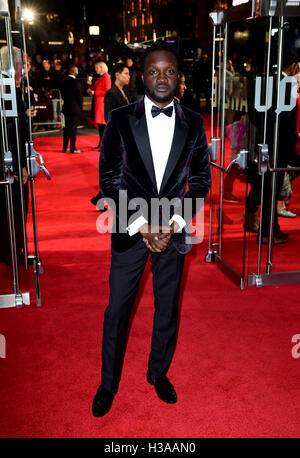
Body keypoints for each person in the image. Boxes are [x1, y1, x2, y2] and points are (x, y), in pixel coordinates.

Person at [91, 41, 211, 417]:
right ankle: (107, 383)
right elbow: (109, 180)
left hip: (173, 229)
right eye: (154, 71)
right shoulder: (121, 118)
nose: (162, 78)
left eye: (170, 71)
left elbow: (202, 180)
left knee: (167, 309)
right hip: (131, 228)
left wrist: (174, 223)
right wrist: (143, 226)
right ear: (142, 76)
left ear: (179, 77)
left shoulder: (193, 122)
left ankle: (158, 373)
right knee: (117, 310)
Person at [90, 63, 131, 208]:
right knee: (118, 172)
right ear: (117, 75)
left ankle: (99, 199)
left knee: (120, 172)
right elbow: (109, 116)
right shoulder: (112, 93)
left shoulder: (124, 92)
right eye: (126, 73)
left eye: (129, 74)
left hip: (125, 138)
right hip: (117, 139)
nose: (128, 77)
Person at [87, 61, 111, 149]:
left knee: (102, 125)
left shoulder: (106, 78)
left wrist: (95, 92)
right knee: (100, 125)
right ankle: (101, 143)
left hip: (102, 103)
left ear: (102, 68)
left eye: (97, 68)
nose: (96, 69)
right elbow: (94, 88)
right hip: (98, 103)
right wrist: (90, 87)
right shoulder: (100, 78)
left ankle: (104, 144)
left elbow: (107, 91)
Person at [61, 64, 83, 154]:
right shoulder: (76, 82)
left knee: (67, 128)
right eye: (77, 70)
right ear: (73, 71)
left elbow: (62, 95)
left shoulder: (63, 82)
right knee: (73, 129)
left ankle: (64, 147)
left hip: (66, 107)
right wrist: (80, 106)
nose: (78, 71)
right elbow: (79, 96)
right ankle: (73, 148)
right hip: (74, 108)